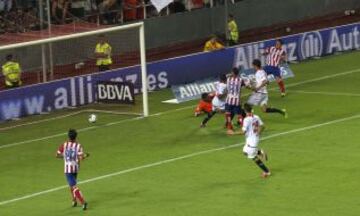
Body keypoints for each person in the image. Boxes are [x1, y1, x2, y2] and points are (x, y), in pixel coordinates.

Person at [227, 103, 271, 178]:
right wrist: (258, 133)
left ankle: (266, 171)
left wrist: (232, 133)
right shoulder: (256, 116)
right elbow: (263, 126)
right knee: (244, 151)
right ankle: (261, 152)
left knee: (254, 158)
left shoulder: (246, 120)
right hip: (254, 139)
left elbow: (243, 132)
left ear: (244, 110)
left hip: (251, 142)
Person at [56, 129, 89, 210]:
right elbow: (81, 158)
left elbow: (57, 155)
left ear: (68, 136)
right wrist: (85, 156)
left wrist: (64, 157)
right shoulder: (78, 146)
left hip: (68, 170)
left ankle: (83, 202)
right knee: (72, 185)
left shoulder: (64, 145)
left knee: (73, 186)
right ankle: (74, 201)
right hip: (76, 168)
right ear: (76, 136)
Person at [225, 68, 247, 132]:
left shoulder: (228, 79)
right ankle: (244, 127)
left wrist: (230, 75)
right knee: (239, 115)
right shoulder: (240, 80)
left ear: (232, 73)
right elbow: (245, 86)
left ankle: (229, 128)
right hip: (237, 100)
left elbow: (226, 76)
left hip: (228, 99)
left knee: (228, 114)